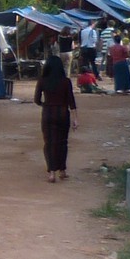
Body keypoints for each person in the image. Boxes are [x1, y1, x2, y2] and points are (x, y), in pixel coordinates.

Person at [33, 54, 79, 183]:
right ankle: (62, 171)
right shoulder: (66, 81)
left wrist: (45, 105)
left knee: (49, 143)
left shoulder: (42, 80)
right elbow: (71, 101)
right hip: (63, 113)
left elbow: (36, 100)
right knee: (62, 142)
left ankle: (52, 173)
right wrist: (75, 119)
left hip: (48, 113)